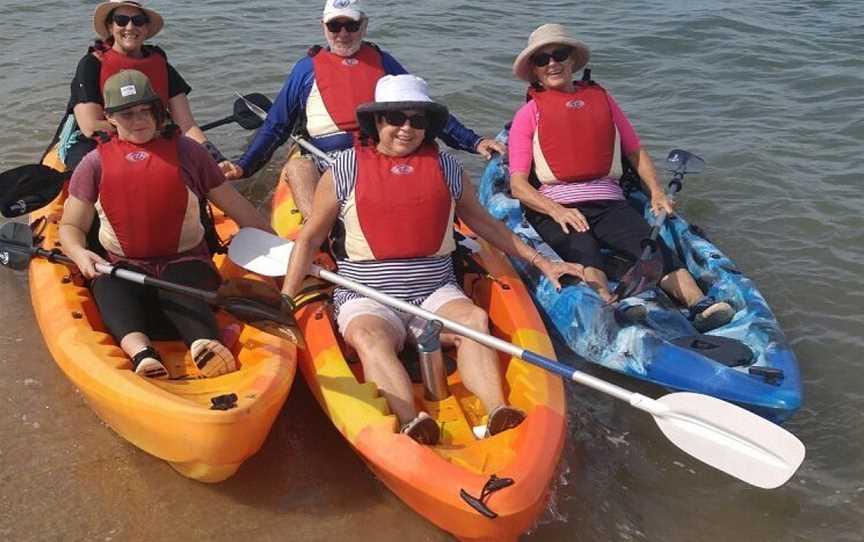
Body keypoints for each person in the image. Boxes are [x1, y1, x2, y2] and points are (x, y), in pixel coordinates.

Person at [280, 75, 584, 444]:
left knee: (473, 319)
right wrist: (286, 297)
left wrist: (543, 262)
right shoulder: (344, 168)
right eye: (396, 118)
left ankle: (496, 410)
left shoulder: (447, 168)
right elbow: (311, 237)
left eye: (418, 120)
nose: (406, 128)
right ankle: (412, 420)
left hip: (435, 291)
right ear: (377, 122)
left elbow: (485, 224)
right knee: (368, 337)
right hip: (367, 295)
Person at [507, 24, 734, 332]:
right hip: (555, 206)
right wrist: (556, 210)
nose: (552, 64)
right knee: (583, 251)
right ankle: (610, 306)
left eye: (559, 54)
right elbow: (518, 185)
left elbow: (635, 151)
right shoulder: (529, 114)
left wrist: (655, 191)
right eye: (542, 60)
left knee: (649, 248)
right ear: (534, 71)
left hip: (609, 202)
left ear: (572, 60)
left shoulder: (603, 100)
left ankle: (700, 304)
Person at [59, 70, 272, 380]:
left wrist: (286, 253)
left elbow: (240, 210)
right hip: (122, 266)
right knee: (110, 289)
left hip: (185, 261)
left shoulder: (189, 153)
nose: (139, 119)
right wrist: (79, 254)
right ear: (110, 118)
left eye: (147, 110)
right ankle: (142, 354)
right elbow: (71, 226)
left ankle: (204, 345)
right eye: (128, 113)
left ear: (160, 112)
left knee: (183, 286)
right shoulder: (95, 162)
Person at [223, 0, 506, 220]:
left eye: (351, 26)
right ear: (323, 27)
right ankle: (318, 231)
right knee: (297, 167)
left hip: (381, 153)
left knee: (432, 166)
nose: (343, 34)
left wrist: (474, 141)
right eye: (335, 27)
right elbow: (276, 125)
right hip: (326, 159)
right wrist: (244, 165)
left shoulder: (383, 63)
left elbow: (425, 111)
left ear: (364, 25)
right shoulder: (305, 70)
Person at [52, 1, 227, 171]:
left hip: (150, 132)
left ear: (146, 28)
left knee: (194, 165)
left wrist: (215, 158)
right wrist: (147, 131)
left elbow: (187, 125)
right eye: (121, 20)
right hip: (93, 140)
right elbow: (90, 126)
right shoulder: (91, 64)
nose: (129, 27)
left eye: (138, 21)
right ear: (110, 27)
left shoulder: (159, 63)